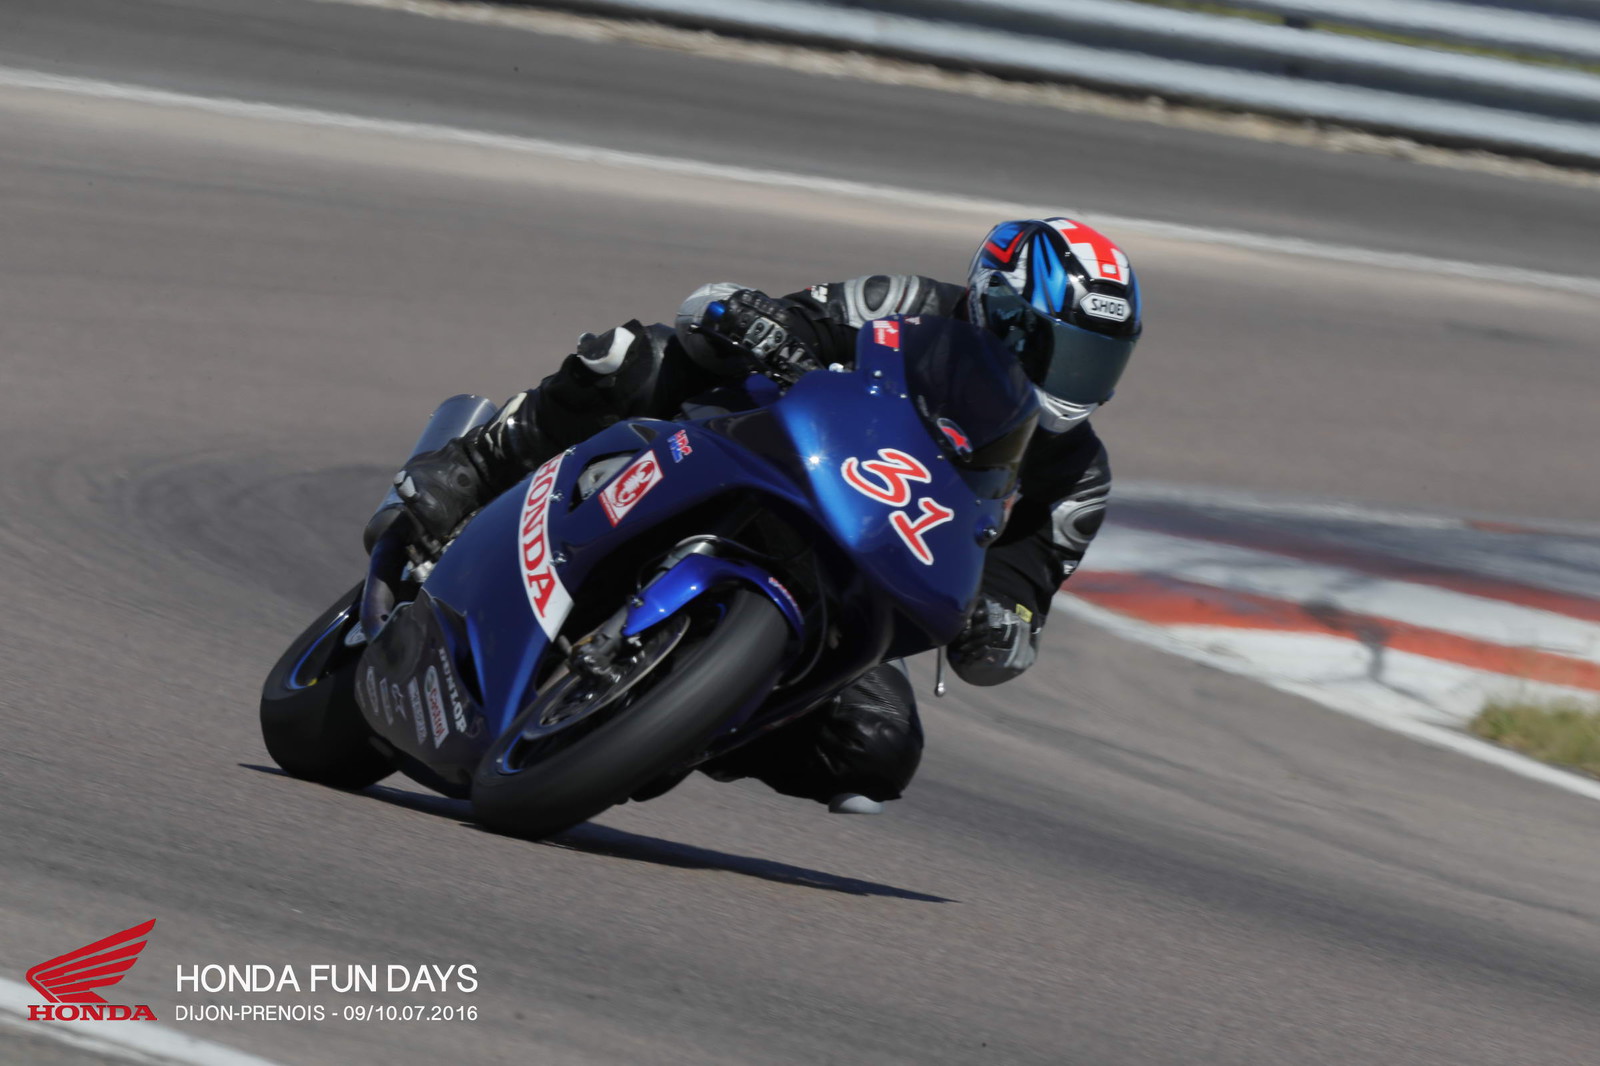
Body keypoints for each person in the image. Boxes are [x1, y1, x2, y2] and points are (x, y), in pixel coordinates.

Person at [377, 217, 1142, 813]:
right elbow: (777, 319)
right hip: (768, 453)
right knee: (634, 356)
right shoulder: (904, 305)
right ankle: (480, 463)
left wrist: (1000, 624)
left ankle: (680, 721)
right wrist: (758, 322)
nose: (1079, 380)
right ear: (1002, 310)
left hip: (866, 568)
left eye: (1099, 360)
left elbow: (1021, 592)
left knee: (876, 747)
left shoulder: (1077, 478)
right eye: (1067, 352)